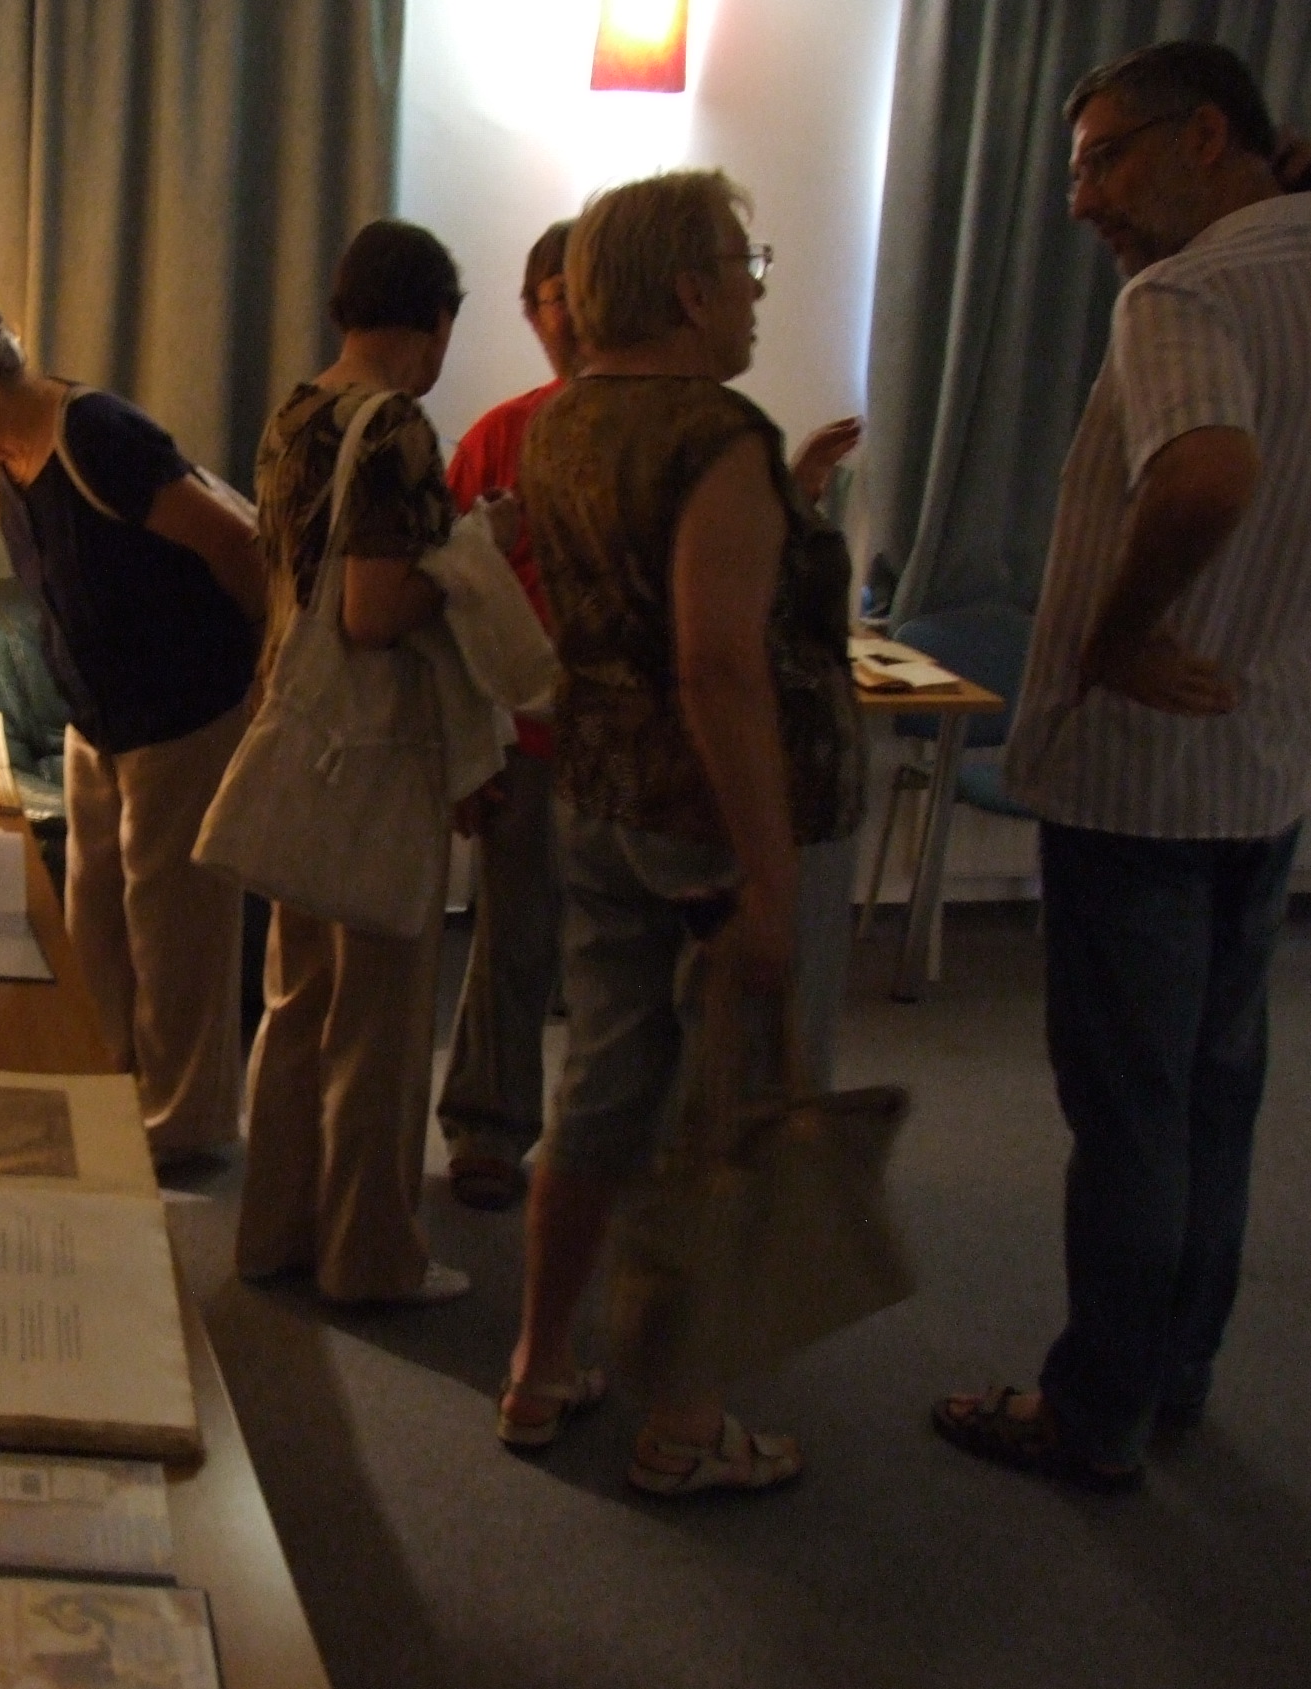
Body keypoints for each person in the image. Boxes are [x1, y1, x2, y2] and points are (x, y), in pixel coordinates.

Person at [934, 42, 1311, 1488]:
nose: (1080, 201)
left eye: (1102, 162)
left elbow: (1208, 473)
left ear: (1207, 136)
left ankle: (1095, 1413)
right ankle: (1175, 1370)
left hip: (1142, 777)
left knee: (1132, 1113)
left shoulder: (1183, 296)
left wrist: (1119, 633)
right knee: (1214, 1095)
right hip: (1266, 761)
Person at [497, 170, 865, 1493]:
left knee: (599, 1089)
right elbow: (716, 665)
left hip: (602, 795)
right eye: (744, 266)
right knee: (729, 1116)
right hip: (716, 820)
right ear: (692, 288)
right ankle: (687, 1421)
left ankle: (540, 1366)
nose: (757, 292)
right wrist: (768, 877)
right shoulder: (716, 434)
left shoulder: (563, 422)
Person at [0, 302, 266, 1170]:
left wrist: (260, 662)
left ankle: (181, 1125)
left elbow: (237, 543)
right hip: (98, 720)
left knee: (176, 932)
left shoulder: (97, 434)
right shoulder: (9, 458)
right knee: (96, 926)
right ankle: (107, 1091)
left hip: (181, 713)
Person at [235, 218, 476, 1306]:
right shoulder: (396, 429)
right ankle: (370, 1257)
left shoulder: (293, 416)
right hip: (374, 748)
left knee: (297, 1001)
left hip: (295, 727)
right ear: (435, 319)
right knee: (379, 1022)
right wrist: (466, 567)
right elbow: (375, 613)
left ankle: (276, 1230)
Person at [436, 217, 577, 1214]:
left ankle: (622, 1145)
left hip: (641, 740)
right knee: (514, 937)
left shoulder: (679, 432)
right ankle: (488, 1127)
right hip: (527, 735)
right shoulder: (499, 436)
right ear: (531, 312)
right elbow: (445, 600)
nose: (574, 315)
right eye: (556, 296)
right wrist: (464, 752)